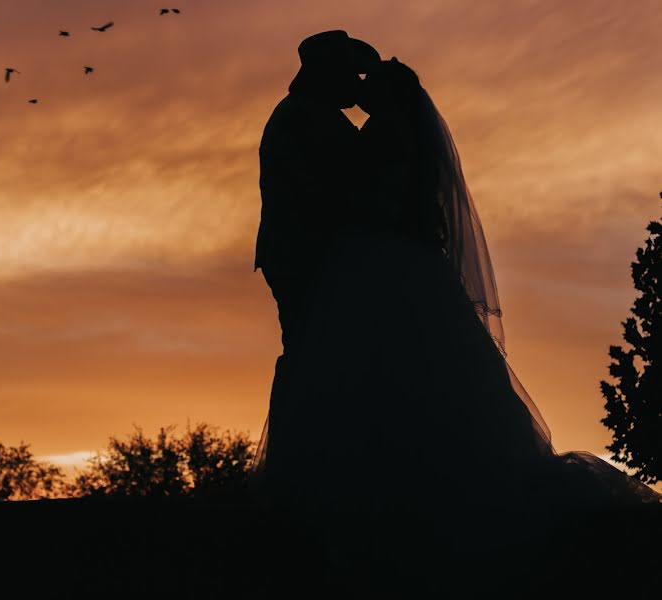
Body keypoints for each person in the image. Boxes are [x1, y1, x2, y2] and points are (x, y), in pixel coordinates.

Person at [250, 51, 662, 593]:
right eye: (354, 75)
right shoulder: (330, 121)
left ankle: (372, 508)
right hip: (380, 261)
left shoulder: (379, 131)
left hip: (378, 262)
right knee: (402, 376)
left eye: (367, 79)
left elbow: (370, 199)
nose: (359, 85)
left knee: (370, 373)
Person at [250, 30, 380, 514]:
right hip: (308, 257)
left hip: (308, 254)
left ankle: (310, 469)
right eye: (351, 75)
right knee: (313, 356)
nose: (357, 84)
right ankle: (305, 473)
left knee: (315, 356)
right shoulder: (306, 120)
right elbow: (334, 191)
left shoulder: (309, 116)